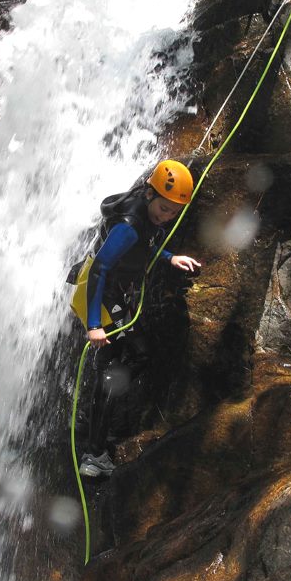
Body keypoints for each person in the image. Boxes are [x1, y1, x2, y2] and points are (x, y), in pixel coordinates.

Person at [71, 159, 201, 478]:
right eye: (164, 208)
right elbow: (102, 268)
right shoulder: (129, 226)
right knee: (123, 363)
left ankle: (96, 413)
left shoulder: (143, 213)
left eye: (172, 211)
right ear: (149, 194)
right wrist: (94, 325)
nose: (167, 216)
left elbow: (148, 244)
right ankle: (93, 453)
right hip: (102, 299)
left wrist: (171, 257)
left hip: (114, 297)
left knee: (130, 361)